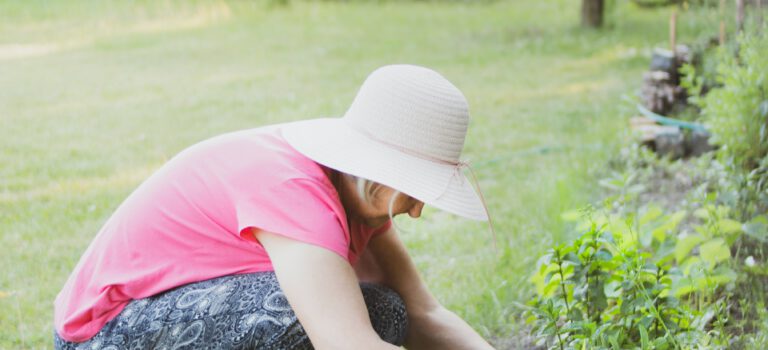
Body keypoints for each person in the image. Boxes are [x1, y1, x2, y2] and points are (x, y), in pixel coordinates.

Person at [54, 64, 495, 349]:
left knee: (385, 309)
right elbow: (345, 343)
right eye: (415, 191)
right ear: (378, 170)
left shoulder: (358, 196)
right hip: (105, 333)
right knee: (298, 316)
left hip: (160, 314)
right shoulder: (296, 194)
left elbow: (424, 312)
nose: (416, 211)